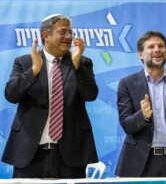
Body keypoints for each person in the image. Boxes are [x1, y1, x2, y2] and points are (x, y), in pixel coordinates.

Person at [1, 14, 99, 178]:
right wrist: (33, 71)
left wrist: (77, 65)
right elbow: (11, 95)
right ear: (46, 35)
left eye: (70, 32)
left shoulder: (82, 62)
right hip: (29, 154)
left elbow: (91, 95)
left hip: (70, 154)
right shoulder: (24, 62)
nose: (68, 37)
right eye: (63, 32)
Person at [115, 31, 166, 177]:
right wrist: (143, 116)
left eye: (161, 46)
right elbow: (126, 125)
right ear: (140, 54)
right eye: (151, 47)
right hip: (140, 162)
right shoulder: (127, 84)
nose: (157, 50)